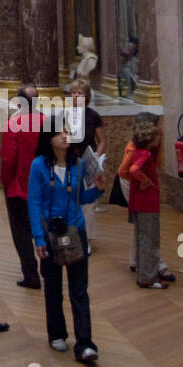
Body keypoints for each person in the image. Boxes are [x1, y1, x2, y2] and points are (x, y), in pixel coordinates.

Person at [27, 118, 105, 364]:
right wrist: (38, 236)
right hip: (51, 233)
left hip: (75, 231)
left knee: (79, 288)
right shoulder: (38, 166)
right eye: (60, 133)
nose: (65, 136)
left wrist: (99, 189)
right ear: (49, 138)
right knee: (52, 285)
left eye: (67, 132)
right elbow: (34, 202)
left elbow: (81, 197)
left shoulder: (78, 165)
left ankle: (84, 343)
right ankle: (57, 333)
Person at [0, 84, 43, 288]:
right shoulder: (47, 122)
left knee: (22, 234)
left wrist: (4, 181)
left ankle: (31, 275)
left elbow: (9, 158)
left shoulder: (13, 124)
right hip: (44, 187)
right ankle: (48, 271)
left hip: (18, 187)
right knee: (43, 228)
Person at [128, 117, 171, 289]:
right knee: (150, 240)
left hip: (140, 202)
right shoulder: (145, 154)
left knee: (142, 238)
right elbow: (134, 169)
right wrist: (145, 180)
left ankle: (143, 272)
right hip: (148, 203)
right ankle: (148, 277)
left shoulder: (139, 151)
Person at [67, 78, 105, 250]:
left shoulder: (93, 116)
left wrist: (96, 157)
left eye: (80, 93)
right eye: (74, 92)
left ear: (86, 96)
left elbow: (102, 140)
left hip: (87, 161)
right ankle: (71, 235)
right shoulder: (66, 114)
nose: (76, 96)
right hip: (70, 161)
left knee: (88, 204)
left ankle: (88, 239)